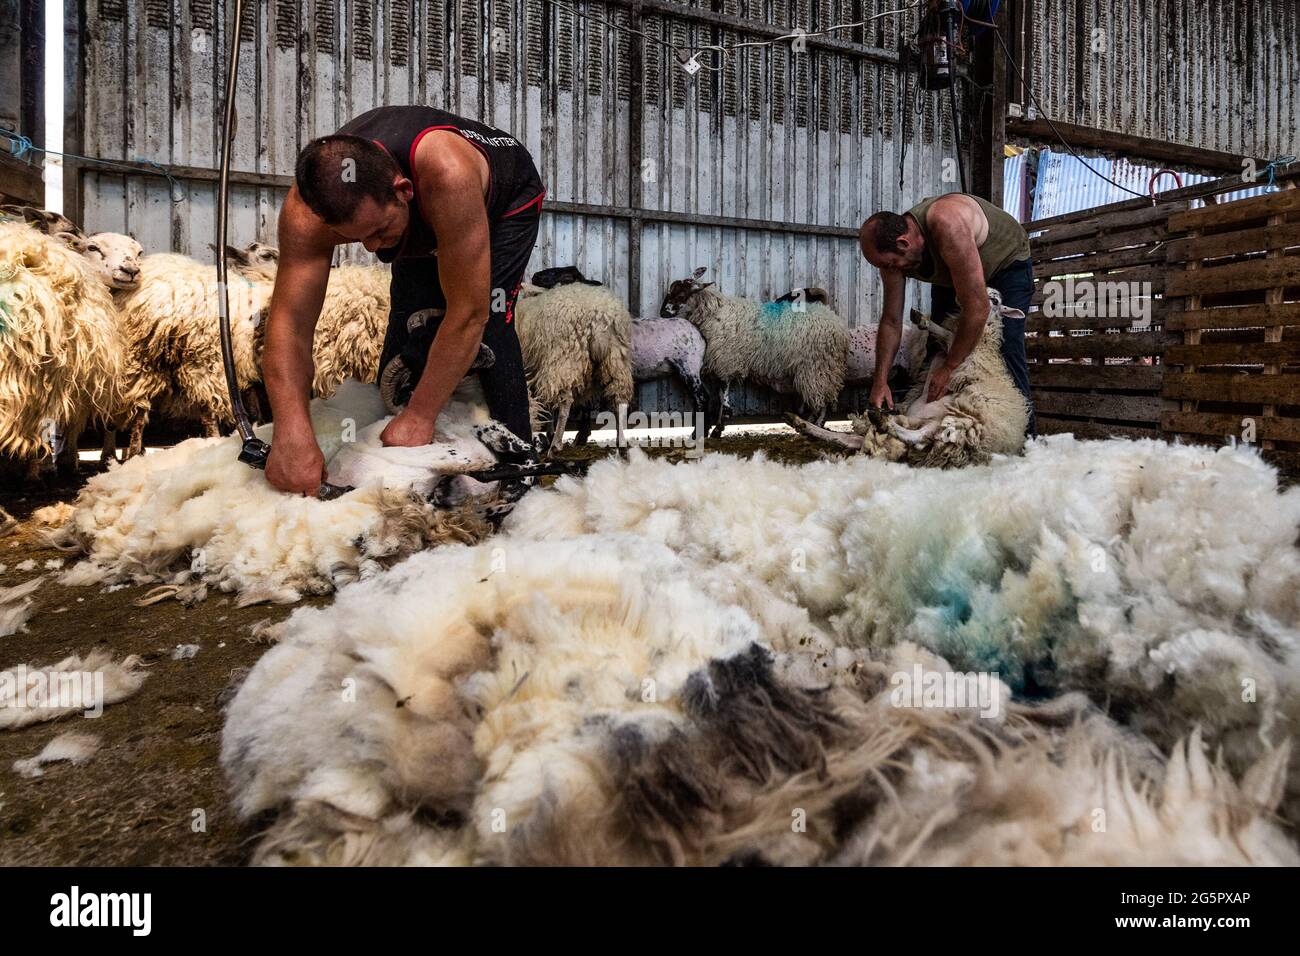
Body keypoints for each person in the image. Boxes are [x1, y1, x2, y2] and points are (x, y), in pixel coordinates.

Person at [261, 105, 545, 496]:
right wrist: (291, 431)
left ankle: (518, 471)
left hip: (506, 198)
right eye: (356, 239)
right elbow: (289, 326)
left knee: (490, 322)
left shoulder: (449, 174)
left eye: (377, 231)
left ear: (403, 192)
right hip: (422, 209)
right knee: (409, 320)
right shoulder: (306, 211)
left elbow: (468, 314)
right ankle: (402, 476)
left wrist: (420, 415)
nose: (373, 248)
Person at [859, 192, 1035, 435]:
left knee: (1005, 347)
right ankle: (937, 431)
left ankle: (1026, 439)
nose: (887, 271)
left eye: (889, 264)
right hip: (954, 269)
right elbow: (891, 321)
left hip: (1006, 263)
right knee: (937, 346)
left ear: (903, 243)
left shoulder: (948, 224)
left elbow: (977, 309)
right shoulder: (894, 259)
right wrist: (880, 381)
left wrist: (950, 368)